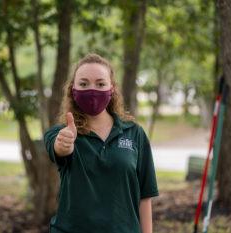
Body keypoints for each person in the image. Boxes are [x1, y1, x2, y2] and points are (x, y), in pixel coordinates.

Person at [43, 53, 159, 233]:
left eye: (100, 84)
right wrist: (63, 144)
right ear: (72, 90)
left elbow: (145, 197)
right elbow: (58, 148)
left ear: (111, 88)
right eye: (83, 84)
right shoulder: (61, 133)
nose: (92, 90)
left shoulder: (135, 133)